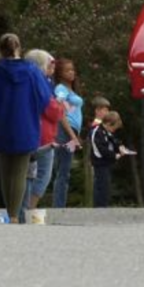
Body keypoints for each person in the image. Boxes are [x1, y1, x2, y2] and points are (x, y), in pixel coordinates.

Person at [0, 34, 53, 223]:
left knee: (6, 171)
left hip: (2, 123)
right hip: (26, 123)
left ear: (0, 49)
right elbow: (44, 98)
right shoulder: (32, 71)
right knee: (21, 172)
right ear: (19, 48)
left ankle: (11, 213)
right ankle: (14, 215)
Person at [21, 49, 63, 219]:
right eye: (49, 66)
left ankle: (24, 209)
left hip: (33, 133)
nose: (51, 70)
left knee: (29, 174)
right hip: (42, 136)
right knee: (42, 175)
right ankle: (29, 209)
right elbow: (52, 110)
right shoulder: (41, 84)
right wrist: (60, 107)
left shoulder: (28, 82)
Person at [51, 58, 84, 208]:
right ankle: (58, 207)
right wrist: (72, 136)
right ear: (60, 73)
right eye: (67, 70)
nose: (71, 72)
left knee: (64, 170)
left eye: (72, 69)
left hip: (71, 131)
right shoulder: (61, 89)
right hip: (64, 132)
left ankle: (59, 205)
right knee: (63, 170)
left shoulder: (70, 89)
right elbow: (60, 112)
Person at [90, 111, 133, 208]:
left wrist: (120, 147)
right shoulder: (97, 132)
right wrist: (114, 155)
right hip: (100, 163)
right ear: (109, 124)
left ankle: (103, 206)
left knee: (106, 186)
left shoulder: (106, 131)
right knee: (102, 187)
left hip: (107, 163)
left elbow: (114, 140)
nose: (113, 131)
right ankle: (100, 208)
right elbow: (101, 149)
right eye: (113, 129)